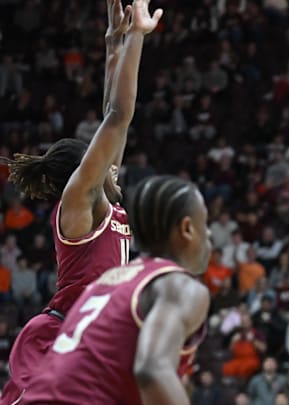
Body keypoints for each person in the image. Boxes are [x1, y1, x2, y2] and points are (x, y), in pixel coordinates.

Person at [0, 1, 161, 402]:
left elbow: (114, 113)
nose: (111, 162)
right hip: (55, 338)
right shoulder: (79, 205)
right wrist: (136, 37)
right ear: (82, 175)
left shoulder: (106, 198)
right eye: (99, 160)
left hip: (85, 338)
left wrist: (113, 45)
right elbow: (117, 117)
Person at [23, 175, 211, 404]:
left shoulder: (111, 279)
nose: (209, 234)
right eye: (206, 224)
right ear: (187, 228)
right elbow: (152, 371)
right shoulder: (179, 286)